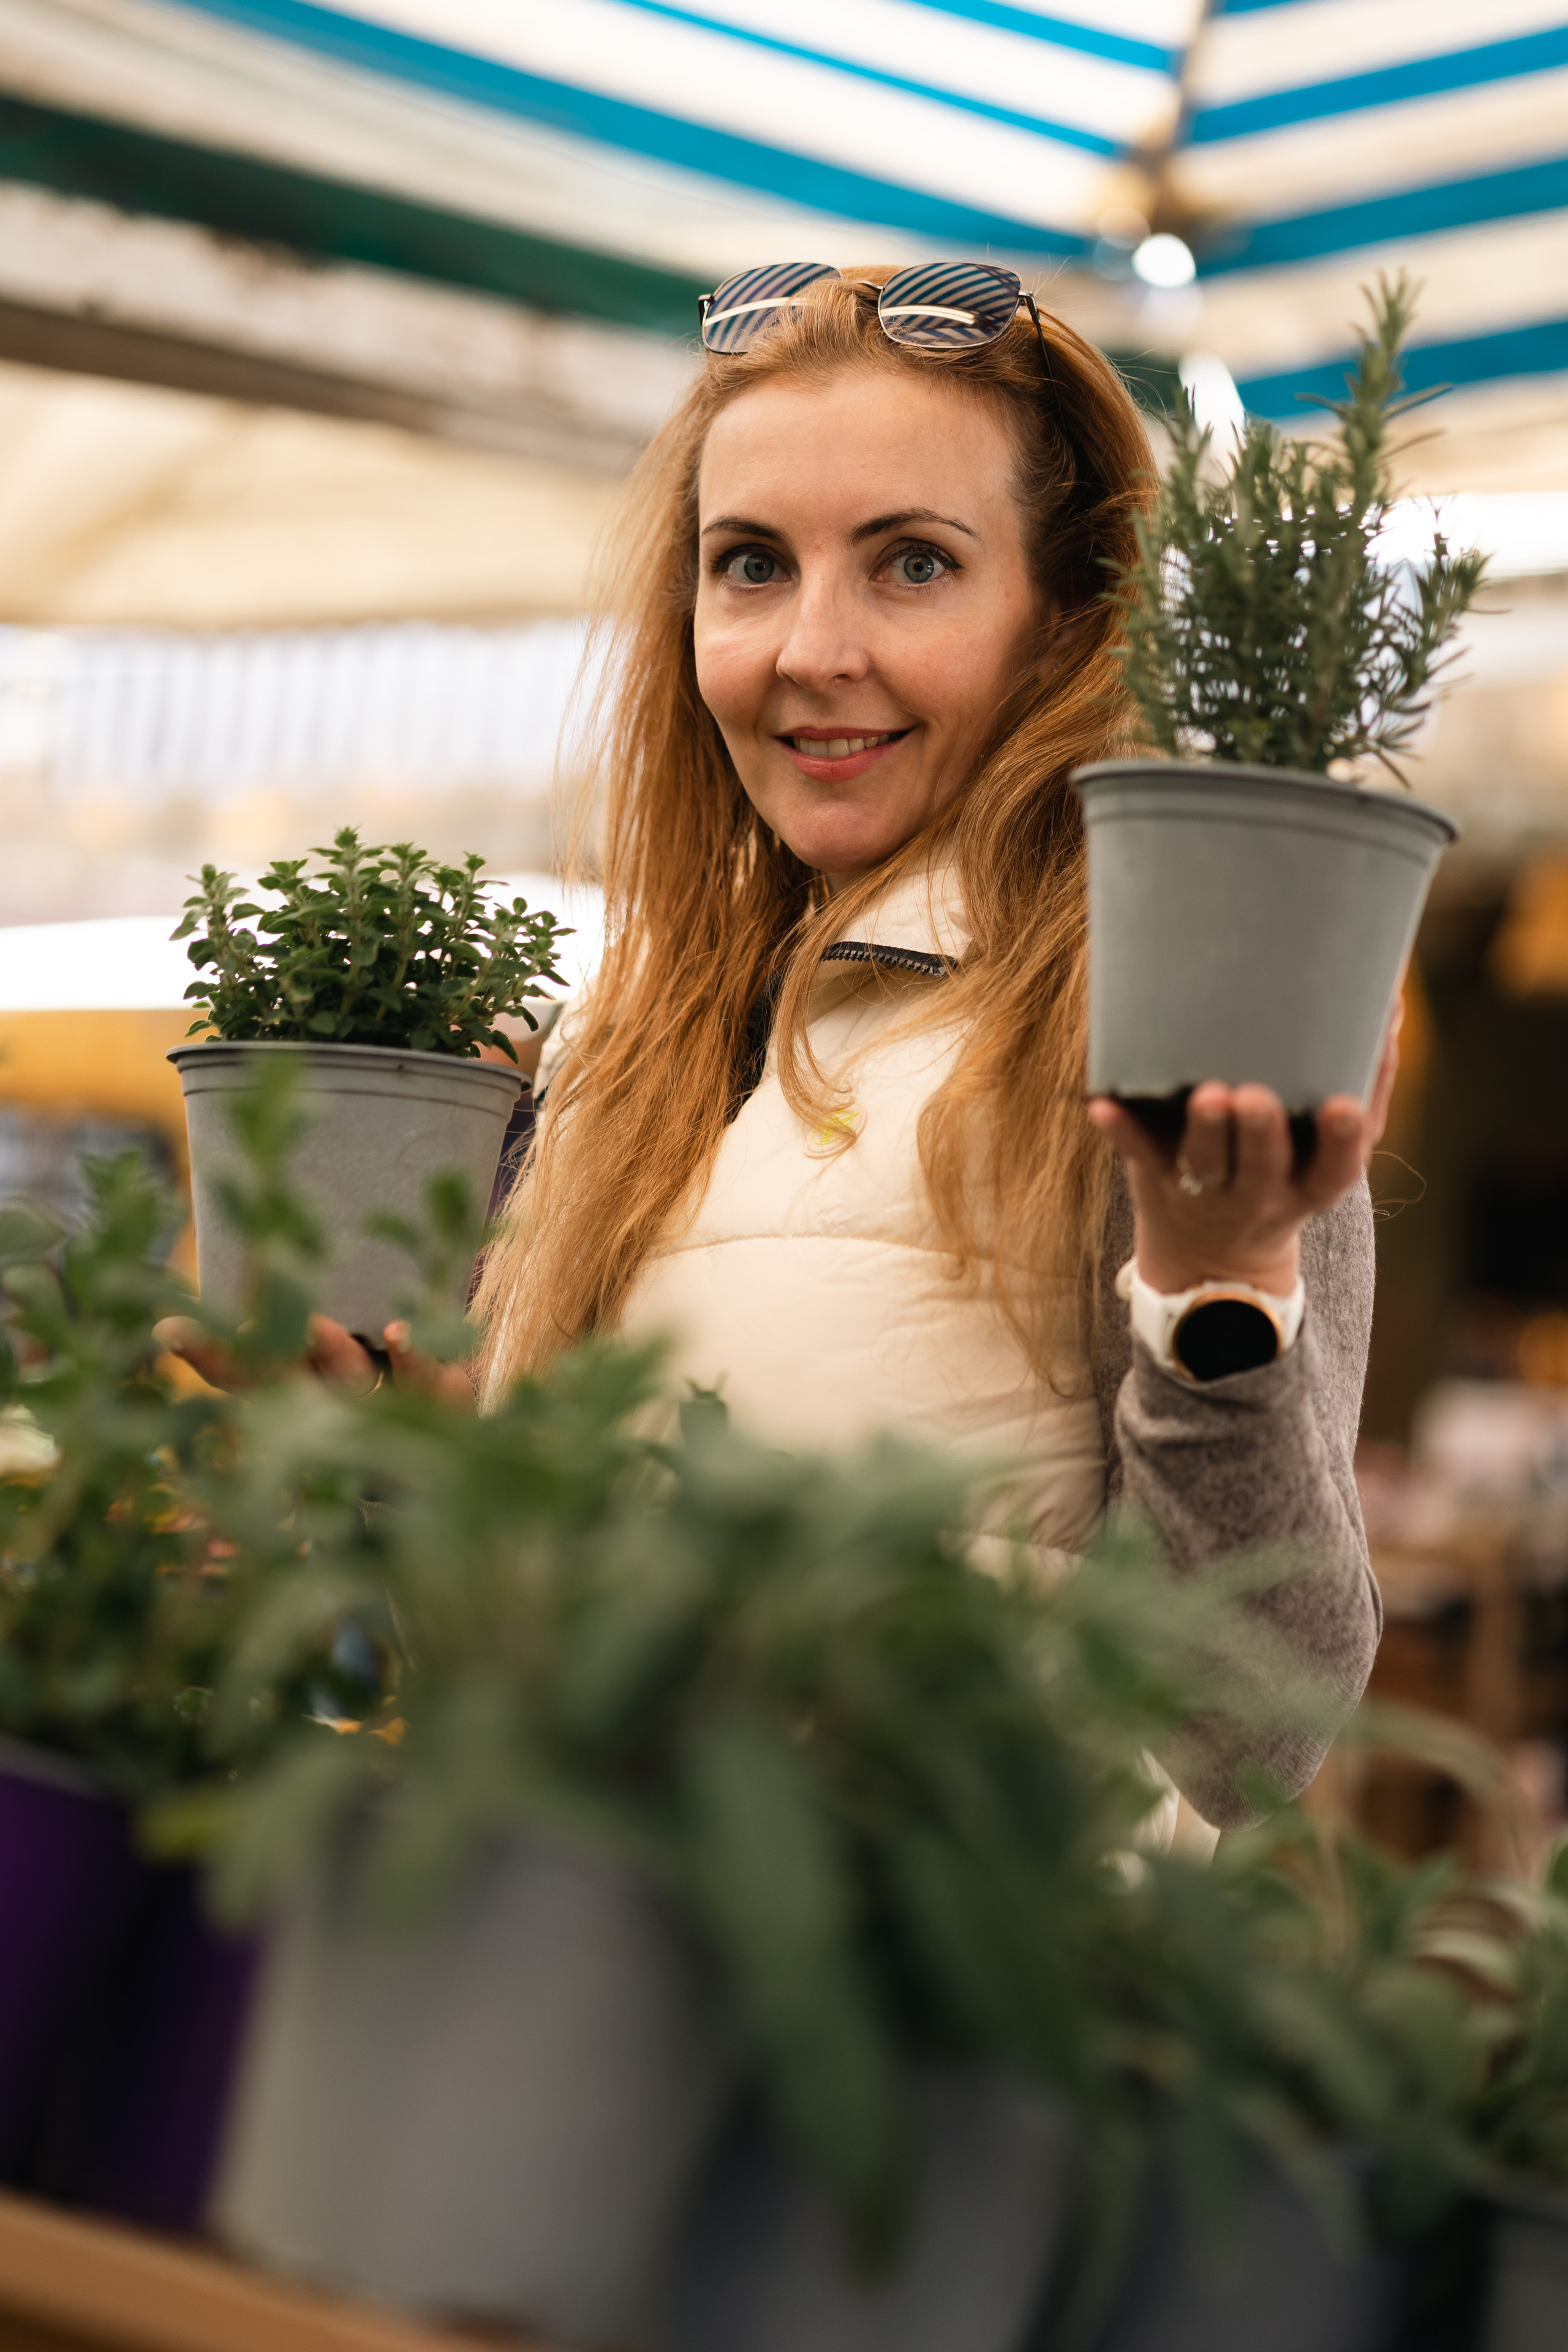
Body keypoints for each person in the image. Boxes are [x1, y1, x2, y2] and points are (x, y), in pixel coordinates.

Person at [179, 264, 1394, 1834]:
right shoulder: (622, 1058)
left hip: (940, 2047)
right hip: (578, 1998)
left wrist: (1217, 1292)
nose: (810, 648)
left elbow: (1251, 1734)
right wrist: (415, 1476)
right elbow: (539, 1671)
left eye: (911, 566)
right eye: (750, 564)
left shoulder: (1146, 1029)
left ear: (1066, 615)